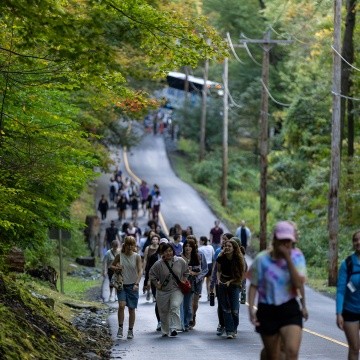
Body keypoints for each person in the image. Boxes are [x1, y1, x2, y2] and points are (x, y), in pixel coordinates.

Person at [247, 221, 306, 359]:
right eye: (282, 240)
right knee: (273, 355)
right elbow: (253, 285)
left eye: (288, 240)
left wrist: (287, 258)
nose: (285, 244)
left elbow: (298, 284)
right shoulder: (261, 259)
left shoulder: (297, 257)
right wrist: (250, 310)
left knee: (291, 351)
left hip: (289, 308)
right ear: (275, 239)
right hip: (267, 310)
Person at [149, 243, 188, 337]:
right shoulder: (158, 264)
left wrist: (184, 280)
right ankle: (165, 331)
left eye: (170, 251)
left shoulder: (180, 261)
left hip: (176, 289)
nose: (168, 253)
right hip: (163, 291)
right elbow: (151, 274)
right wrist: (157, 285)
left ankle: (174, 328)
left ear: (173, 251)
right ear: (163, 253)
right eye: (166, 251)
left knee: (174, 306)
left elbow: (186, 272)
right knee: (163, 311)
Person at [110, 236, 142, 340]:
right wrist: (117, 267)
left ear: (134, 246)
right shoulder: (120, 255)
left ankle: (130, 330)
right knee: (122, 305)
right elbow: (111, 266)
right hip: (121, 284)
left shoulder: (137, 257)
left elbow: (140, 271)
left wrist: (137, 283)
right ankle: (120, 328)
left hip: (132, 285)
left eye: (131, 245)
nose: (129, 247)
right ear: (125, 245)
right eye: (128, 244)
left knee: (131, 309)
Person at [336, 230, 360, 360]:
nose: (358, 242)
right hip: (350, 311)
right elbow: (340, 291)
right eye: (355, 240)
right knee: (355, 348)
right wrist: (339, 312)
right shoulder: (348, 264)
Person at [216, 238, 246, 339]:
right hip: (223, 282)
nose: (227, 248)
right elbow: (218, 270)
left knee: (234, 310)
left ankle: (234, 328)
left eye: (229, 246)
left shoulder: (238, 258)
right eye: (226, 246)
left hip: (235, 283)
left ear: (234, 248)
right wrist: (218, 280)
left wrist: (230, 281)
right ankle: (229, 331)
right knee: (225, 308)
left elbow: (241, 275)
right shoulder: (221, 257)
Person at [198, 236, 215, 301]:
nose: (199, 241)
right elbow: (213, 257)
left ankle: (199, 293)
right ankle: (209, 295)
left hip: (203, 266)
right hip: (210, 265)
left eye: (200, 240)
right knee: (209, 282)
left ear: (203, 241)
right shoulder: (211, 247)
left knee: (201, 281)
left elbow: (199, 258)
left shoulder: (200, 249)